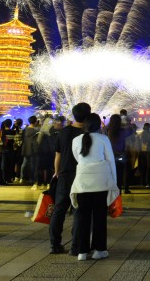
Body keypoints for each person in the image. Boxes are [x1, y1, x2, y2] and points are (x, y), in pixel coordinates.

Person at [70, 113, 118, 261]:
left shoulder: (76, 140)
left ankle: (82, 252)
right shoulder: (103, 139)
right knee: (99, 217)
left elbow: (78, 159)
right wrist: (114, 182)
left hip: (83, 182)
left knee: (83, 217)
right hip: (100, 182)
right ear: (99, 126)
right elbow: (110, 161)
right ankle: (99, 249)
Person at [50, 102, 91, 255]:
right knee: (79, 211)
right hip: (82, 176)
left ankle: (54, 245)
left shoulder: (64, 132)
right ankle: (76, 246)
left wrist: (56, 172)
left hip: (64, 175)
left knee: (59, 210)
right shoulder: (88, 134)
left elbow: (57, 155)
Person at [20, 115, 39, 185]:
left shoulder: (25, 129)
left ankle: (22, 178)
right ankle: (31, 179)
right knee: (32, 165)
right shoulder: (36, 130)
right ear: (35, 121)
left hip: (25, 148)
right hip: (32, 149)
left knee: (24, 164)